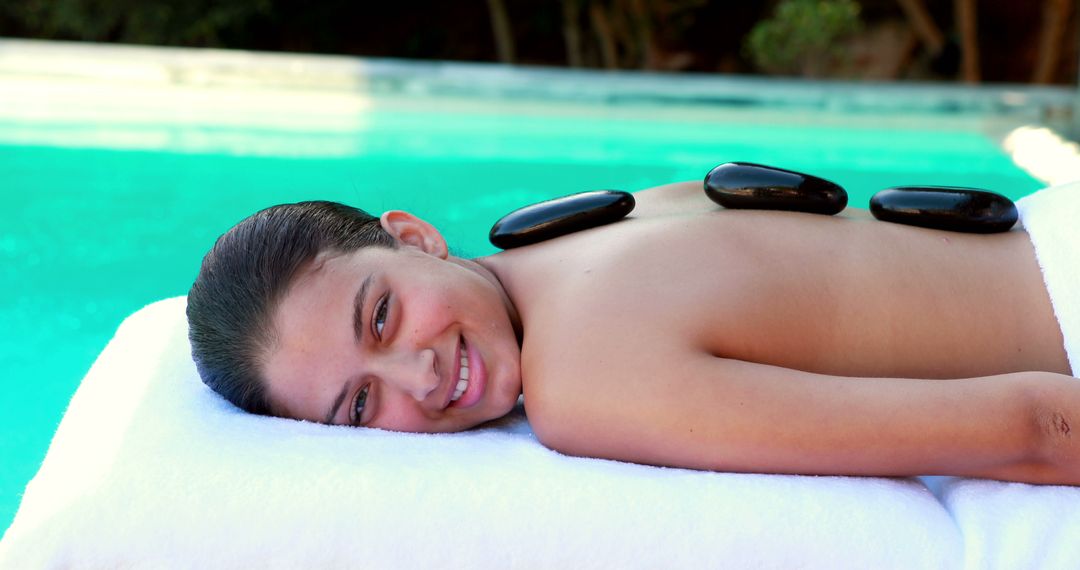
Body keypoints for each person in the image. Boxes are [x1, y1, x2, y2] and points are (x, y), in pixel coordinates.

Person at [186, 180, 1080, 485]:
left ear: (416, 237)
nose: (418, 375)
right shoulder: (568, 227)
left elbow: (1036, 431)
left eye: (380, 316)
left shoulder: (584, 385)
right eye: (359, 405)